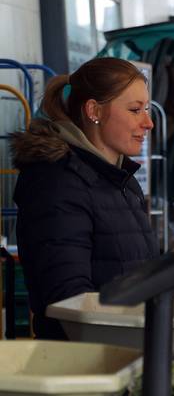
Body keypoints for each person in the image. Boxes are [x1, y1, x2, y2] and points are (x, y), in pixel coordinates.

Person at [12, 58, 158, 340]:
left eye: (147, 109)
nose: (148, 122)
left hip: (128, 352)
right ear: (94, 111)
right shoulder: (57, 184)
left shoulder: (122, 181)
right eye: (135, 110)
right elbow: (69, 297)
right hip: (84, 365)